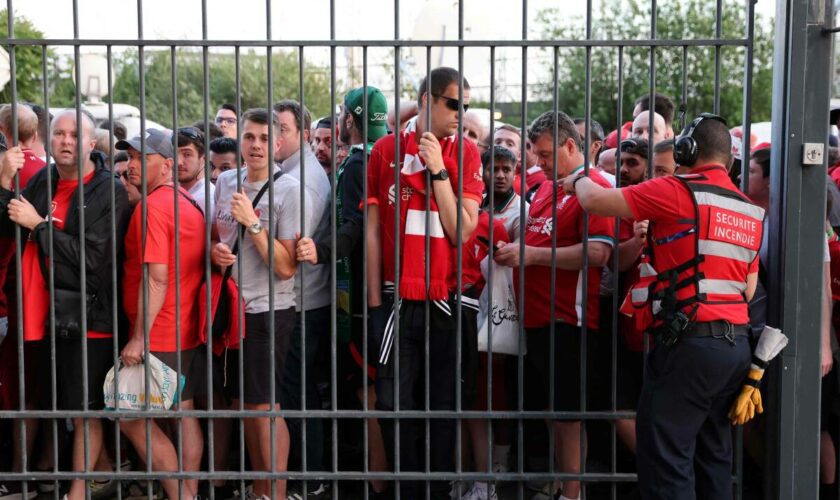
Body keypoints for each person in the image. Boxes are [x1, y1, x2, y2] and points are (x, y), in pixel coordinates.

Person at [564, 113, 764, 500]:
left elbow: (594, 200)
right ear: (730, 160)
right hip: (736, 345)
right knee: (713, 456)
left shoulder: (675, 189)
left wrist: (578, 178)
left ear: (687, 149)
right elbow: (749, 286)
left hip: (688, 344)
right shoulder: (748, 209)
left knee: (666, 459)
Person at [367, 66, 484, 498]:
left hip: (448, 301)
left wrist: (438, 172)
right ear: (426, 100)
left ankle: (437, 492)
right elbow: (373, 230)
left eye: (465, 107)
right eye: (454, 104)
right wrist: (375, 304)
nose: (460, 113)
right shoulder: (384, 150)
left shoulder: (467, 154)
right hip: (396, 301)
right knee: (396, 407)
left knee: (442, 409)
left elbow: (462, 231)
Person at [0, 110, 129, 500]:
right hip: (44, 312)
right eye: (59, 133)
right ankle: (102, 477)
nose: (66, 141)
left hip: (89, 313)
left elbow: (93, 259)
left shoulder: (109, 190)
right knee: (61, 400)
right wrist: (5, 180)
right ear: (47, 138)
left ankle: (78, 491)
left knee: (83, 407)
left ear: (92, 143)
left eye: (75, 135)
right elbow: (10, 224)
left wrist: (39, 225)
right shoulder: (45, 179)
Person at [494, 111, 615, 500]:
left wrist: (530, 256)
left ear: (570, 146)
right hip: (537, 317)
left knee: (567, 416)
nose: (539, 162)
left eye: (546, 154)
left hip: (569, 318)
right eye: (536, 154)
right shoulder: (547, 188)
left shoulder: (592, 186)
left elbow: (598, 252)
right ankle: (563, 484)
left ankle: (572, 493)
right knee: (552, 411)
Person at [296, 85, 391, 498]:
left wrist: (322, 249)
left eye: (341, 114)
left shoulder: (357, 164)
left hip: (360, 300)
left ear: (349, 120)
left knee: (367, 392)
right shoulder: (383, 153)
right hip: (375, 291)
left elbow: (357, 228)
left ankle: (377, 482)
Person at [212, 108, 301, 500]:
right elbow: (215, 236)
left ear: (278, 144)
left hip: (270, 310)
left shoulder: (290, 190)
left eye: (265, 139)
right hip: (230, 310)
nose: (257, 145)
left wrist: (253, 222)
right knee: (244, 405)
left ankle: (275, 493)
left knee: (266, 408)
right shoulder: (226, 181)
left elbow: (285, 268)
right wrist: (216, 252)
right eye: (249, 137)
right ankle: (260, 488)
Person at [118, 129, 206, 500]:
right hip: (184, 328)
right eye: (131, 157)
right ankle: (189, 492)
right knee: (183, 416)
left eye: (141, 158)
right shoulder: (186, 202)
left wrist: (139, 338)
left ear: (167, 165)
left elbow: (156, 279)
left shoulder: (152, 208)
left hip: (160, 332)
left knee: (130, 418)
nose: (131, 165)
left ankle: (181, 495)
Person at [272, 99, 332, 494]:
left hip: (301, 302)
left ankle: (308, 480)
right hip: (299, 300)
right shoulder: (292, 171)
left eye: (281, 129)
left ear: (303, 135)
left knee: (297, 394)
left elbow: (294, 251)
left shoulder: (305, 179)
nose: (274, 137)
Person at [176, 127, 215, 216]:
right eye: (174, 154)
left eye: (187, 154)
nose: (178, 162)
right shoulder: (173, 191)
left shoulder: (207, 199)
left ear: (204, 159)